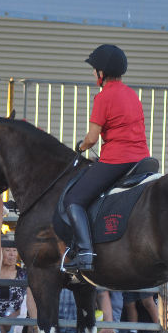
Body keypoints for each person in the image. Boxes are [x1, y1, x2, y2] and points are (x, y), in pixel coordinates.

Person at [63, 44, 150, 272]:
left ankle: (85, 253)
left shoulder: (103, 97)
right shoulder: (132, 94)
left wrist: (80, 147)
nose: (94, 74)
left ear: (101, 73)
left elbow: (92, 138)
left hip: (117, 160)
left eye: (94, 70)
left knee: (73, 199)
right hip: (141, 159)